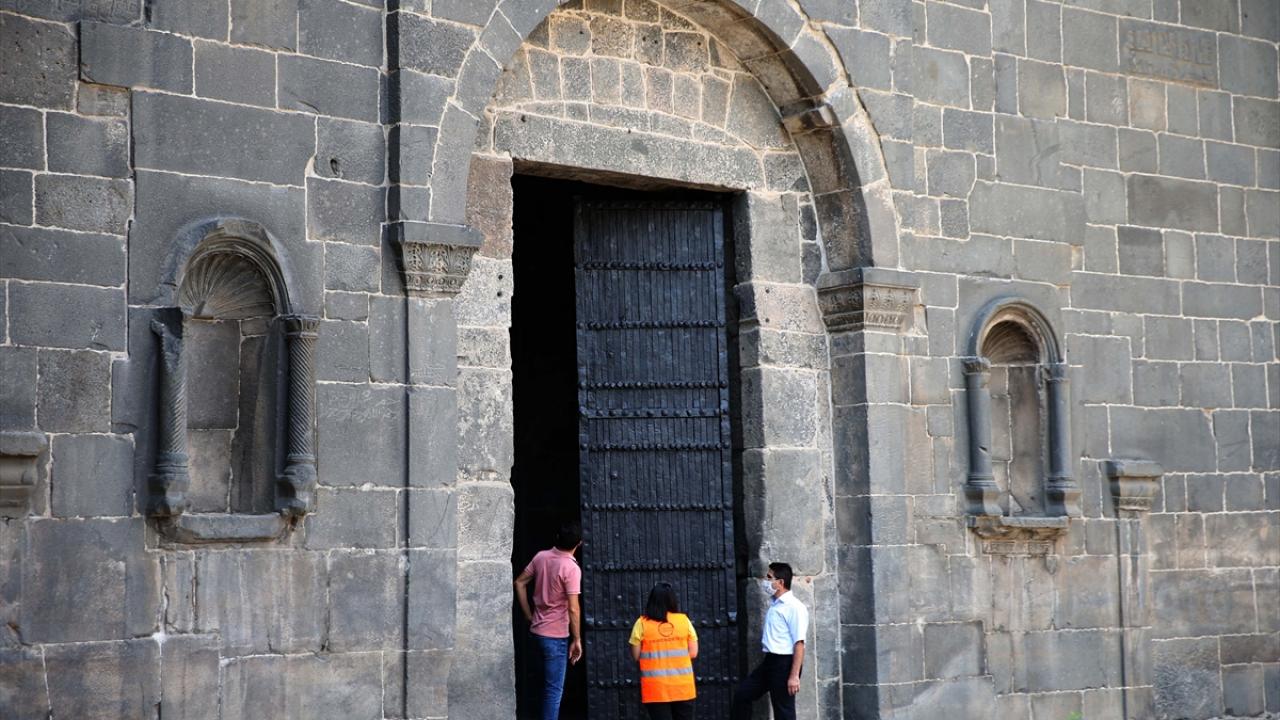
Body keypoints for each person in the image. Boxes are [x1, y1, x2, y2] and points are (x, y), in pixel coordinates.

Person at [515, 522, 584, 720]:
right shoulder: (571, 568)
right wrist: (577, 639)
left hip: (536, 633)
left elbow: (519, 583)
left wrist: (528, 615)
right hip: (556, 637)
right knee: (553, 691)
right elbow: (573, 608)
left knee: (538, 686)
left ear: (557, 537)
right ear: (579, 543)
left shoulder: (541, 557)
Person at [730, 562, 808, 720]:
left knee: (783, 710)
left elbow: (799, 643)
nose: (766, 581)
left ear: (780, 583)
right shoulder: (775, 604)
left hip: (784, 663)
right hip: (770, 661)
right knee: (742, 694)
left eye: (769, 577)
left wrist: (794, 676)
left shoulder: (795, 607)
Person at [629, 582, 698, 720]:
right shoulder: (684, 621)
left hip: (655, 689)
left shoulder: (641, 623)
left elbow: (636, 656)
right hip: (682, 687)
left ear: (652, 601)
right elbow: (693, 653)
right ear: (672, 600)